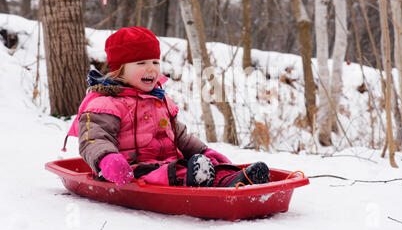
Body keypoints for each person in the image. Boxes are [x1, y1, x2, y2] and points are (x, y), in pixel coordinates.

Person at [64, 27, 270, 188]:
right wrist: (107, 159)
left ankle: (234, 179)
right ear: (119, 69)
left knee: (200, 167)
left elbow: (180, 136)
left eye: (155, 61)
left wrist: (205, 151)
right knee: (175, 173)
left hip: (171, 163)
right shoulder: (105, 103)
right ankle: (202, 180)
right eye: (141, 62)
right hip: (132, 171)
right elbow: (93, 139)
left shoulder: (158, 99)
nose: (151, 68)